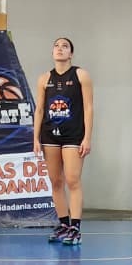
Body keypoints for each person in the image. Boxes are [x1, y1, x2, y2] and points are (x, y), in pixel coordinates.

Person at [31, 37, 93, 245]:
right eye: (56, 46)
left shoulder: (80, 75)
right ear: (52, 52)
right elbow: (40, 109)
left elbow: (88, 108)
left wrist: (87, 137)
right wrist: (36, 138)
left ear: (71, 53)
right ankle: (64, 224)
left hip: (73, 135)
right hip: (50, 135)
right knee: (56, 181)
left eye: (65, 46)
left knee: (72, 180)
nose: (60, 48)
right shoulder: (44, 78)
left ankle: (75, 227)